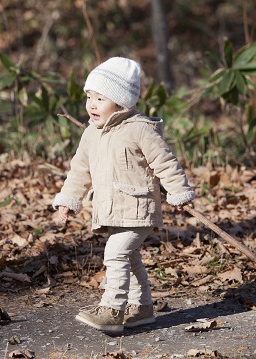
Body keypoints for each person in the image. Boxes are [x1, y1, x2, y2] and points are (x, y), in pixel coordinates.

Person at [52, 57, 195, 334]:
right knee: (129, 259)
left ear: (120, 101)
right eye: (89, 97)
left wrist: (178, 192)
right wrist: (69, 198)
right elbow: (80, 169)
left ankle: (112, 309)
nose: (91, 104)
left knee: (116, 254)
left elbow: (164, 162)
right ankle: (141, 308)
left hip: (137, 207)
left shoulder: (139, 129)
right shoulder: (92, 134)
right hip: (109, 208)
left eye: (100, 98)